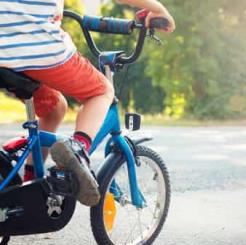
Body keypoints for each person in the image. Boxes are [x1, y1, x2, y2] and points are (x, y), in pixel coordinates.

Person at [0, 0, 175, 206]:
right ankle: (78, 149)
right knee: (101, 91)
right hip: (40, 49)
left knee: (55, 108)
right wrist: (158, 9)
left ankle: (30, 187)